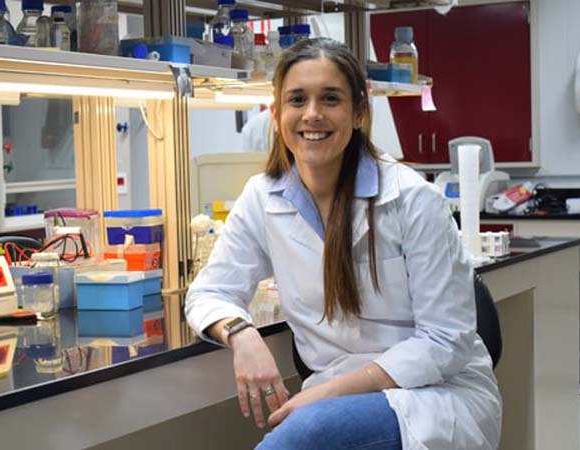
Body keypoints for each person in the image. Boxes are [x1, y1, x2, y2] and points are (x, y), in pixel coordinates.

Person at [185, 38, 501, 450]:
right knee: (306, 432)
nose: (312, 114)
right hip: (333, 394)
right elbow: (208, 292)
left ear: (358, 113)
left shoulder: (411, 199)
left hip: (432, 396)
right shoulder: (263, 196)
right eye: (297, 99)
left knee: (299, 438)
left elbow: (446, 342)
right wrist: (242, 334)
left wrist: (324, 396)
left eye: (330, 98)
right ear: (276, 114)